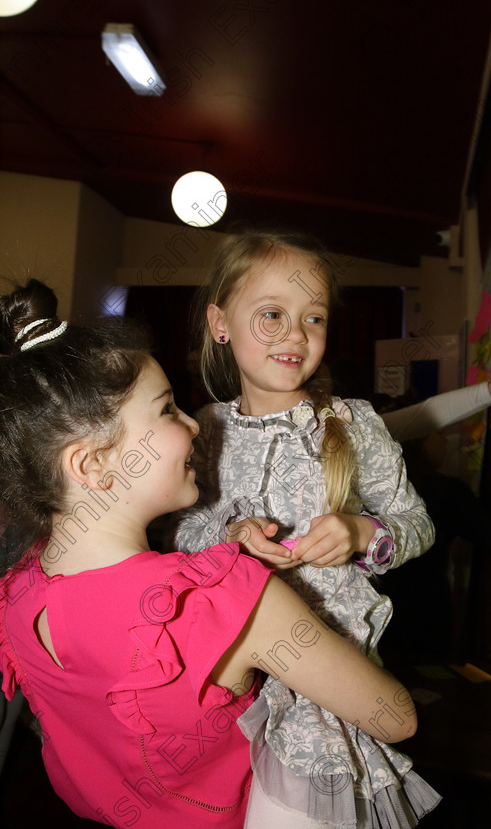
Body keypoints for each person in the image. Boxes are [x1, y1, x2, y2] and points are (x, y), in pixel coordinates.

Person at [0, 279, 420, 829]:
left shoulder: (18, 588)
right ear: (91, 464)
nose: (196, 424)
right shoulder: (222, 598)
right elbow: (395, 718)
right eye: (168, 409)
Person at [174, 229, 440, 828]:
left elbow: (417, 524)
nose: (295, 335)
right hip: (229, 669)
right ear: (221, 322)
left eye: (312, 317)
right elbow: (175, 530)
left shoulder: (354, 423)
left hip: (326, 685)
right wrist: (229, 535)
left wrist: (362, 532)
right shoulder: (199, 430)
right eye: (271, 315)